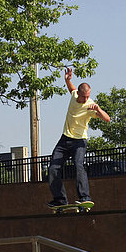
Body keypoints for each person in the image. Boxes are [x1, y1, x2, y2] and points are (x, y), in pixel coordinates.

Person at [47, 68, 111, 207]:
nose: (86, 99)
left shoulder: (90, 105)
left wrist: (98, 110)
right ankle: (60, 199)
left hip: (79, 141)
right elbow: (72, 88)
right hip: (64, 140)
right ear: (79, 94)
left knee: (78, 165)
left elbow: (107, 119)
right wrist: (67, 79)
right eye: (84, 97)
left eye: (88, 96)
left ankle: (84, 197)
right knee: (53, 168)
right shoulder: (74, 95)